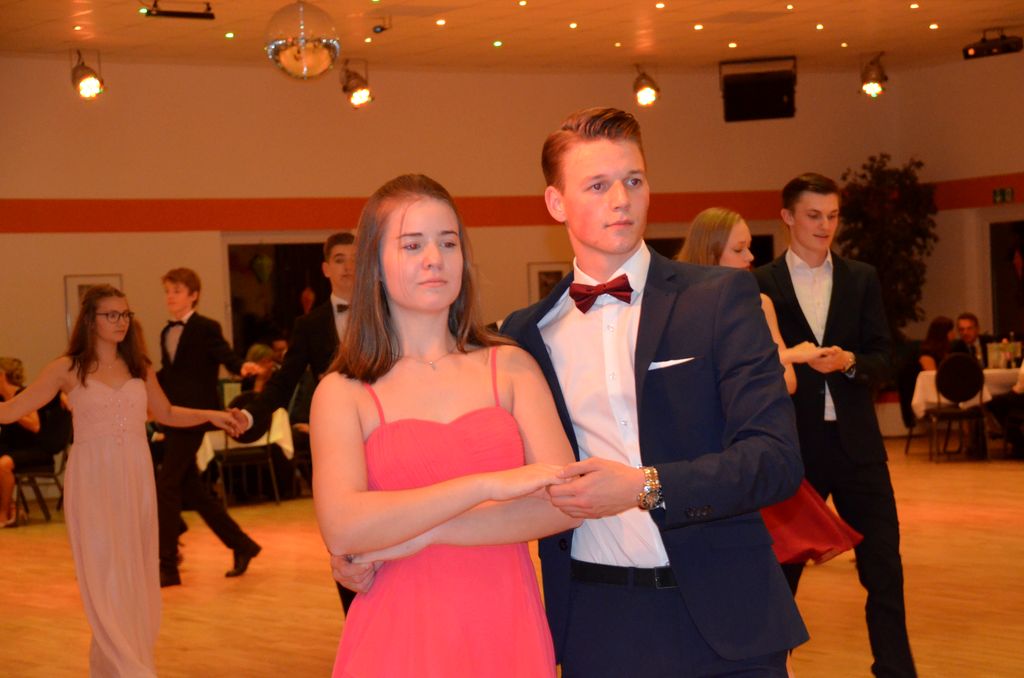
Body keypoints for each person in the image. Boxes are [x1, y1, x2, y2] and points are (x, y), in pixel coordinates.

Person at [498, 108, 807, 676]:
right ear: (556, 203)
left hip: (725, 615)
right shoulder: (526, 333)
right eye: (597, 185)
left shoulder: (720, 298)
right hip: (594, 620)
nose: (622, 200)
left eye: (633, 180)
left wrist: (646, 486)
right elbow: (493, 476)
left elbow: (775, 460)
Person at [313, 174, 579, 676]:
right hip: (396, 635)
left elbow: (565, 503)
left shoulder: (511, 366)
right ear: (375, 264)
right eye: (412, 244)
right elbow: (343, 526)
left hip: (506, 629)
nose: (435, 258)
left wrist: (417, 534)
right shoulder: (343, 391)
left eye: (448, 242)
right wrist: (484, 486)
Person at [0, 284, 242, 676]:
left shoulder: (138, 366)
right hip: (92, 479)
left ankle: (118, 663)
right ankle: (130, 667)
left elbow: (166, 413)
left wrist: (213, 415)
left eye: (125, 314)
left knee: (134, 570)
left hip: (135, 477)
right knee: (102, 571)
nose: (121, 321)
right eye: (111, 315)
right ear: (90, 320)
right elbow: (10, 412)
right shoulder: (66, 368)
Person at [754, 173, 917, 677]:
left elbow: (885, 357)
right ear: (788, 217)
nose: (825, 226)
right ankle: (767, 670)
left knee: (884, 568)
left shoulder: (860, 278)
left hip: (858, 448)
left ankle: (895, 671)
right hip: (794, 449)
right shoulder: (760, 284)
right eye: (814, 215)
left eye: (833, 216)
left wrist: (849, 362)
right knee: (780, 574)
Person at [677, 207, 861, 568]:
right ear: (710, 253)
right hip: (699, 456)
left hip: (745, 451)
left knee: (759, 565)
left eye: (748, 247)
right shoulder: (679, 306)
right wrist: (788, 355)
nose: (750, 257)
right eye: (739, 249)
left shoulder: (759, 304)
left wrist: (784, 360)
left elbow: (788, 383)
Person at [234, 231, 361, 611]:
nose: (348, 267)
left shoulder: (389, 314)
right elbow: (284, 382)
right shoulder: (310, 325)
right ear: (325, 268)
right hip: (335, 442)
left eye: (355, 258)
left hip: (386, 436)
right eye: (339, 259)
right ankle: (356, 627)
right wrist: (251, 414)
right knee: (343, 540)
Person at [156, 267, 262, 587]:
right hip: (174, 417)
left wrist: (241, 366)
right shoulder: (165, 332)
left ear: (193, 295)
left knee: (166, 485)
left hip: (197, 416)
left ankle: (168, 565)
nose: (170, 297)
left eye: (176, 291)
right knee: (192, 490)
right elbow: (169, 374)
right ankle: (242, 545)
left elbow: (225, 355)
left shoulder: (206, 327)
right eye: (168, 291)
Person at [0, 357, 54, 526]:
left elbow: (35, 425)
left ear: (2, 375)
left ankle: (4, 514)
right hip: (12, 449)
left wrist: (12, 412)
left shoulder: (23, 394)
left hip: (34, 449)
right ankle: (14, 508)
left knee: (3, 464)